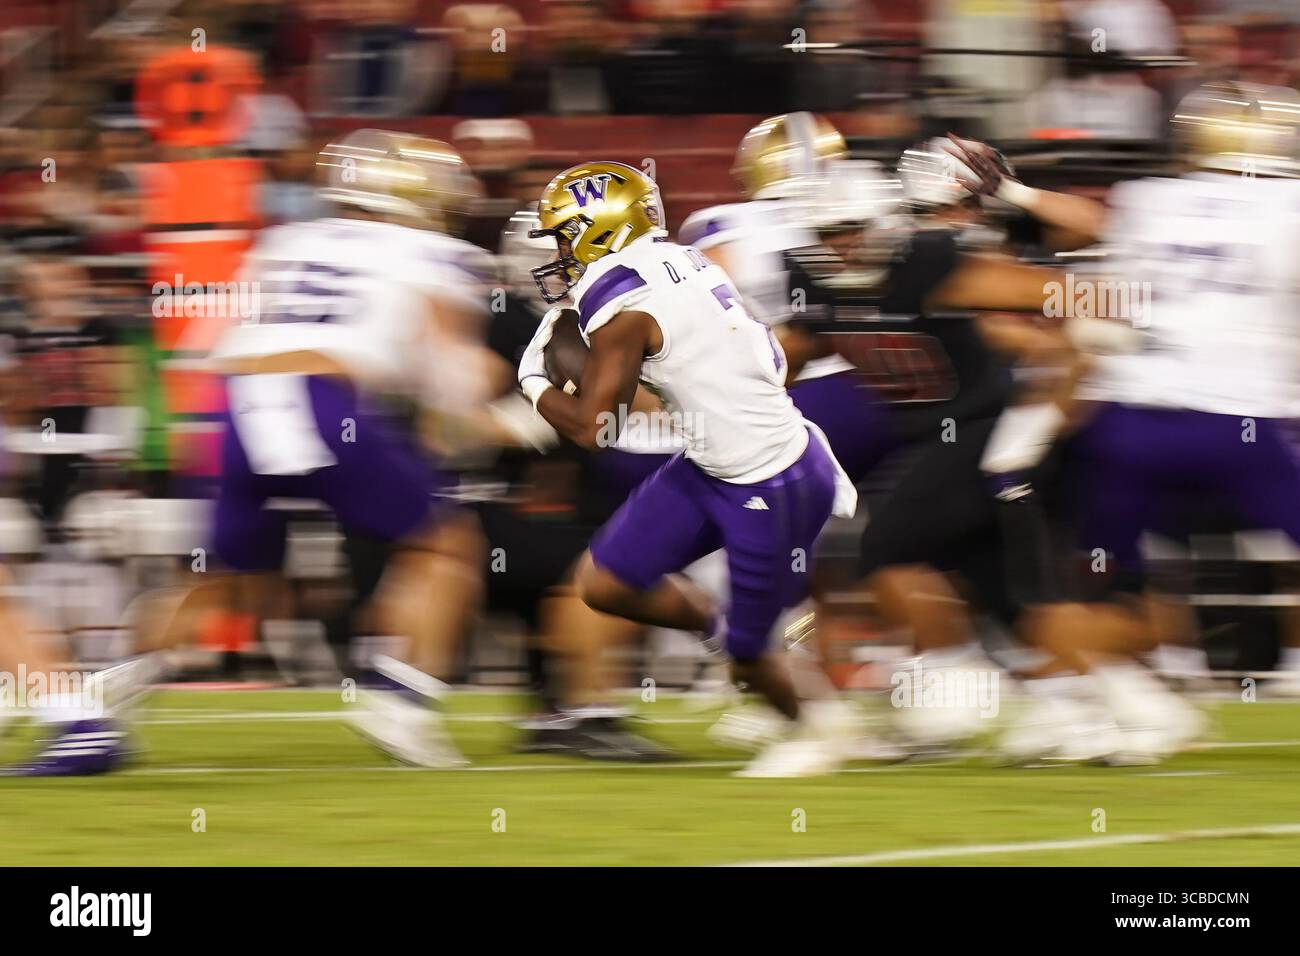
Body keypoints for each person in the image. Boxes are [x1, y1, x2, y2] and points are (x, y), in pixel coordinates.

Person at [126, 130, 493, 773]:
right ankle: (401, 702)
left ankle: (101, 704)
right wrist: (481, 405)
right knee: (447, 544)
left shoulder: (288, 238)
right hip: (319, 398)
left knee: (227, 582)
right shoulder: (436, 251)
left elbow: (217, 338)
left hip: (232, 402)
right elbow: (453, 372)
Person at [518, 161, 858, 777]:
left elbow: (596, 430)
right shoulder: (680, 259)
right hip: (714, 460)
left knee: (751, 655)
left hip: (769, 479)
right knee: (606, 583)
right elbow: (765, 359)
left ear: (600, 229)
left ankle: (818, 732)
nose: (559, 251)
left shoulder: (625, 304)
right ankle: (723, 629)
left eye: (566, 234)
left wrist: (534, 383)